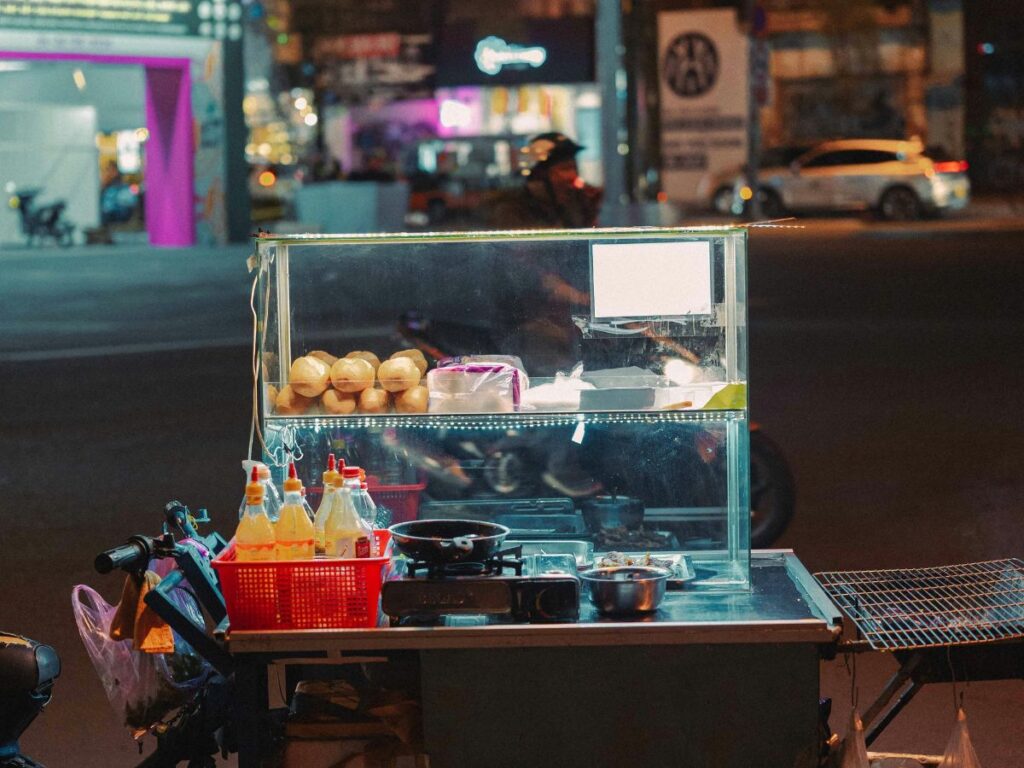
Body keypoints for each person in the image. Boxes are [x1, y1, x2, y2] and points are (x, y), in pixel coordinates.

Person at [489, 132, 604, 229]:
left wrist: (595, 207)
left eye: (574, 168)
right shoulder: (512, 211)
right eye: (565, 169)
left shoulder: (579, 203)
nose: (572, 176)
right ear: (538, 176)